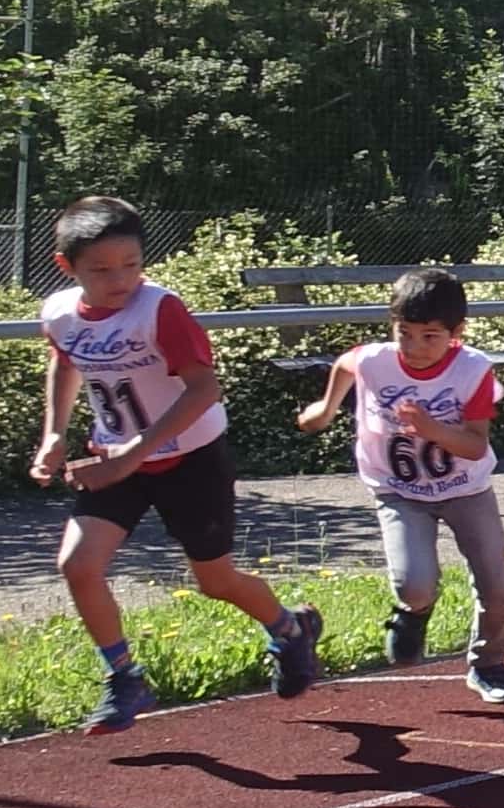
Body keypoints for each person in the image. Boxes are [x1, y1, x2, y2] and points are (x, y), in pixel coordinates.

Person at [31, 196, 324, 728]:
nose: (120, 280)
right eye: (100, 270)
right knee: (78, 565)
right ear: (66, 267)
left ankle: (289, 629)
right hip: (116, 457)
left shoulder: (159, 309)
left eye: (132, 265)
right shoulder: (57, 314)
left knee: (214, 581)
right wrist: (54, 434)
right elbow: (65, 364)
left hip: (191, 458)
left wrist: (134, 452)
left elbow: (204, 389)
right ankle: (124, 678)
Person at [294, 264, 504, 708]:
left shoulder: (474, 370)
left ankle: (489, 664)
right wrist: (325, 410)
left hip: (465, 488)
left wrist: (431, 427)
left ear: (457, 332)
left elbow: (476, 446)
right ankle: (412, 613)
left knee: (499, 585)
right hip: (398, 489)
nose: (415, 347)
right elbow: (347, 365)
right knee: (415, 582)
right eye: (405, 332)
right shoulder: (376, 360)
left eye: (430, 336)